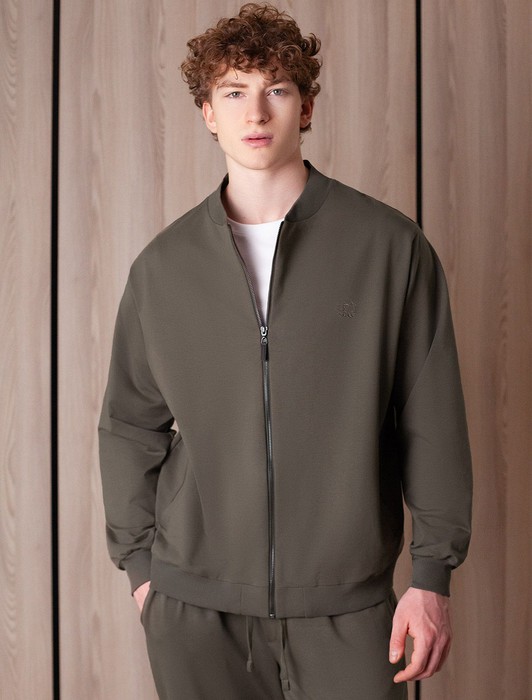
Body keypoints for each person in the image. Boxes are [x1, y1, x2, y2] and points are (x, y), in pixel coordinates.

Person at [98, 4, 472, 698]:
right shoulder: (163, 268)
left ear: (306, 106)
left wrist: (431, 576)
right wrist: (142, 572)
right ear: (208, 113)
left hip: (348, 605)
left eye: (276, 87)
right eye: (233, 91)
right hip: (194, 607)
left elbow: (433, 421)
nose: (256, 111)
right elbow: (128, 423)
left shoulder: (389, 248)